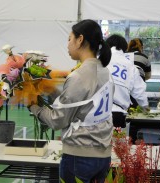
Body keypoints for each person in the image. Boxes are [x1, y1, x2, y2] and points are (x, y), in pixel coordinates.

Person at [28, 19, 113, 183]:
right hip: (102, 155)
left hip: (79, 155)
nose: (67, 44)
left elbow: (57, 120)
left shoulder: (79, 76)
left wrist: (33, 106)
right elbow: (80, 105)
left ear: (80, 40)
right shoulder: (104, 72)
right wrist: (51, 89)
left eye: (69, 39)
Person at [106, 34, 149, 128]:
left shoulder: (100, 60)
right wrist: (145, 108)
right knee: (116, 142)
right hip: (118, 115)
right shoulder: (130, 65)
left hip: (98, 114)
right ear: (125, 49)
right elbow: (139, 92)